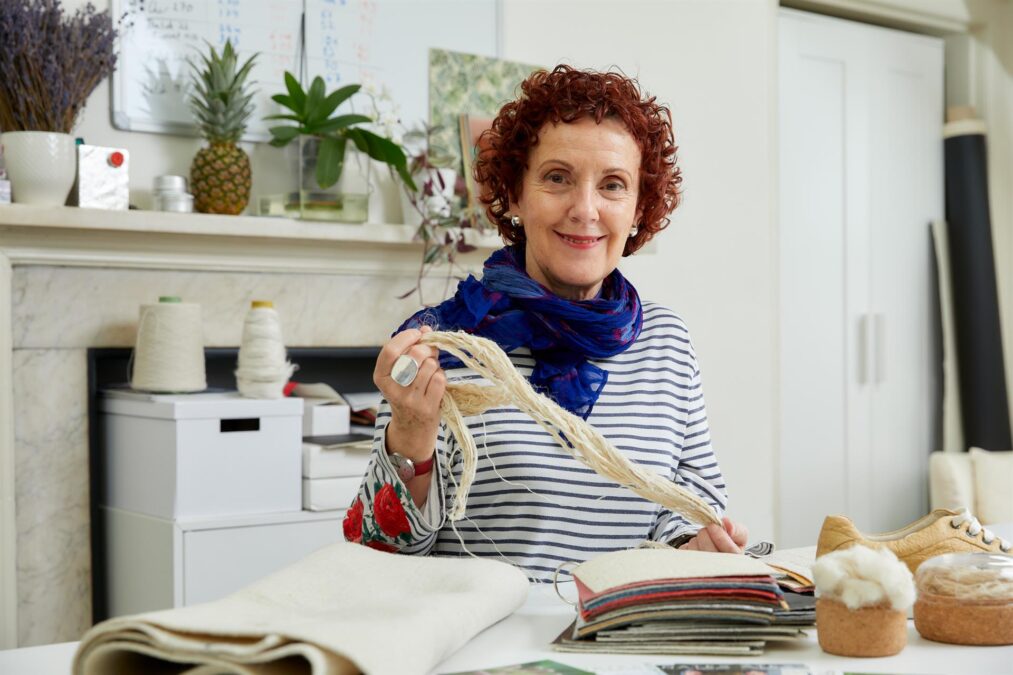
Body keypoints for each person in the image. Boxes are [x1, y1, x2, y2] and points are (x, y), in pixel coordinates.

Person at [342, 65, 748, 581]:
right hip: (489, 631)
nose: (585, 209)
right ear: (515, 194)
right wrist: (411, 432)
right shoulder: (443, 346)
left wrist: (693, 544)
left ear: (638, 209)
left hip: (623, 624)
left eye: (613, 185)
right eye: (557, 178)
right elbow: (379, 552)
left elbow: (689, 501)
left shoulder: (665, 341)